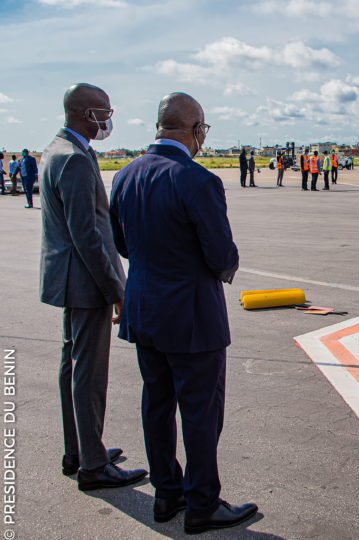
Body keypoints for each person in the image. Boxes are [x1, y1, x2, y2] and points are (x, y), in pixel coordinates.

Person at [110, 92, 257, 534]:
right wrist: (226, 266)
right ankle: (203, 503)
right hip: (192, 317)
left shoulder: (125, 175)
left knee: (156, 404)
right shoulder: (198, 181)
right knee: (200, 412)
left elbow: (121, 244)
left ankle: (166, 494)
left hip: (144, 310)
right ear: (194, 129)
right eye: (203, 131)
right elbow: (220, 255)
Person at [39, 83, 147, 492]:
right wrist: (115, 290)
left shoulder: (57, 150)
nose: (108, 119)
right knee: (88, 373)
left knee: (72, 366)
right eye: (104, 111)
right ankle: (94, 465)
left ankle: (80, 450)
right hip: (85, 282)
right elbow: (89, 236)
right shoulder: (77, 160)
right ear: (87, 113)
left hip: (67, 278)